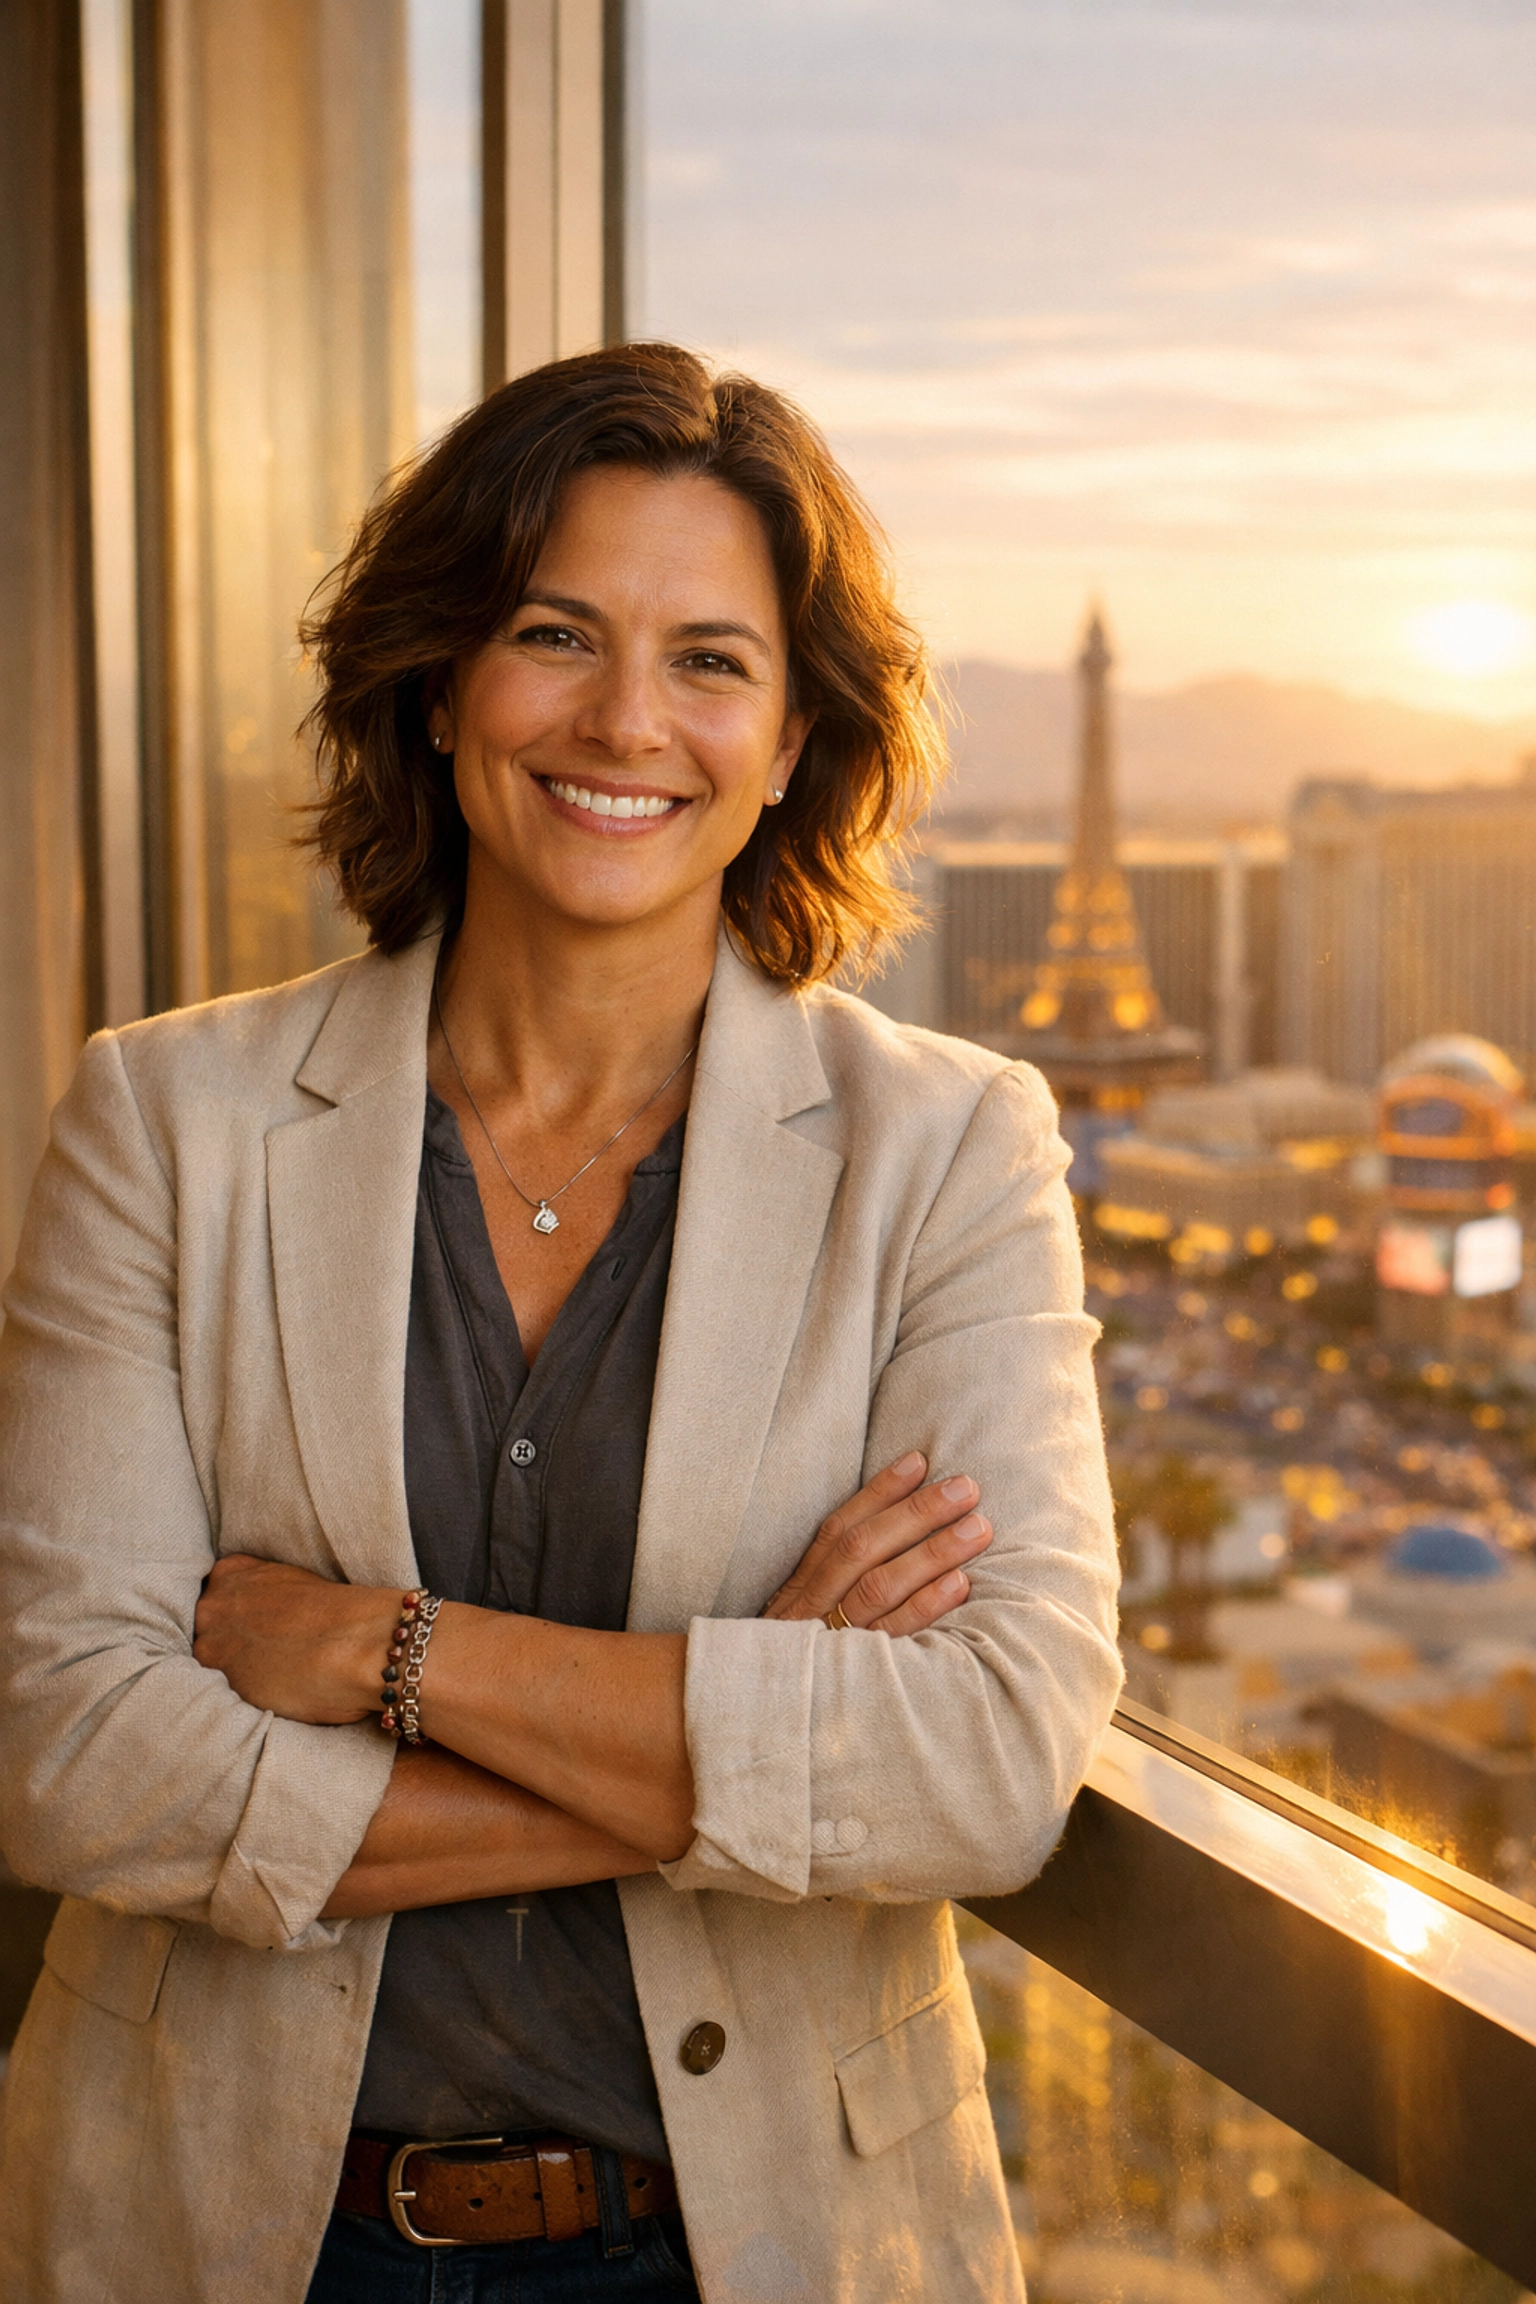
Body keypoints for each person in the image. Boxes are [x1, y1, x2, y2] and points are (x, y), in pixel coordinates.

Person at [0, 342, 1121, 2304]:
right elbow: (68, 1752)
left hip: (756, 2242)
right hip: (228, 2228)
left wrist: (382, 1651)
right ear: (440, 684)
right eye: (554, 634)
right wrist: (747, 1728)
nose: (628, 719)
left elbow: (991, 1759)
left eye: (711, 658)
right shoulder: (164, 1125)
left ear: (790, 740)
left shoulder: (948, 1150)